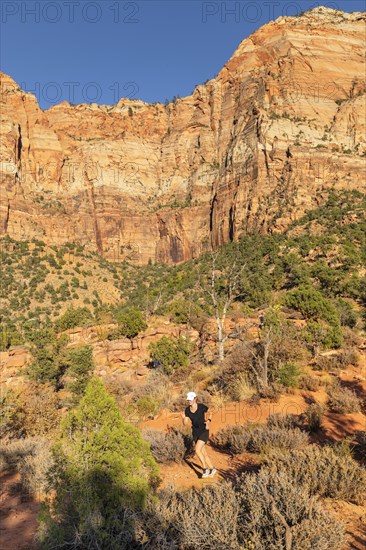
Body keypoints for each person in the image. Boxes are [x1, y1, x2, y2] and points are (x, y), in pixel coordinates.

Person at [181, 391, 216, 478]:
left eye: (191, 399)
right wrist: (183, 418)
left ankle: (205, 469)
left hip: (204, 431)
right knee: (203, 453)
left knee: (197, 450)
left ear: (195, 399)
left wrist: (208, 421)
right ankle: (212, 468)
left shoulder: (201, 407)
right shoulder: (187, 410)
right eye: (188, 400)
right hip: (195, 432)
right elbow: (185, 424)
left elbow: (211, 412)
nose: (189, 401)